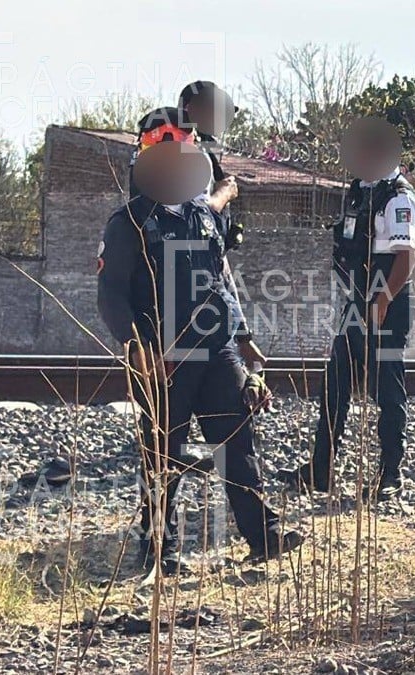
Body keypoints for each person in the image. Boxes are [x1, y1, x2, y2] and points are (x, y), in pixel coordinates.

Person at [97, 106, 302, 574]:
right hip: (164, 357)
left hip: (218, 351)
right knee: (162, 456)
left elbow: (221, 278)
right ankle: (157, 553)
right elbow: (111, 296)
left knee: (237, 444)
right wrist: (138, 348)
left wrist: (244, 335)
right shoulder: (127, 224)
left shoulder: (202, 216)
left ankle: (263, 536)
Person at [278, 144, 415, 502]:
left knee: (387, 391)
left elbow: (407, 257)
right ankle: (320, 470)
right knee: (335, 386)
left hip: (387, 304)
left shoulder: (399, 198)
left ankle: (391, 474)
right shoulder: (362, 192)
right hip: (357, 303)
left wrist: (383, 300)